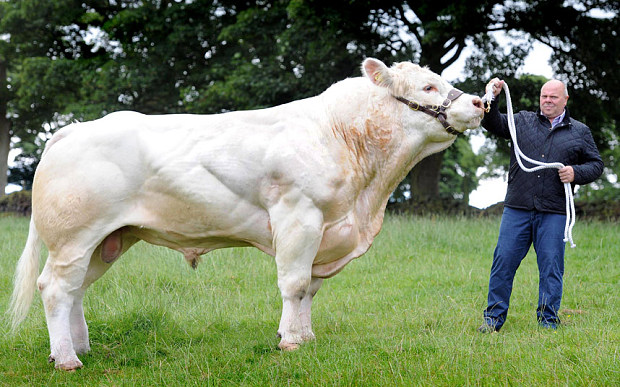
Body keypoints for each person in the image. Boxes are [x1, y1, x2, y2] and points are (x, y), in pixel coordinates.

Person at [478, 78, 604, 332]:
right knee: (503, 263)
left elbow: (596, 165)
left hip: (554, 211)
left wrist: (575, 173)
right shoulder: (521, 120)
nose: (547, 101)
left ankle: (548, 321)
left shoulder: (580, 132)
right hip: (518, 207)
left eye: (553, 97)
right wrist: (492, 96)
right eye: (544, 96)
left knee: (551, 268)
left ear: (565, 100)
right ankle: (493, 320)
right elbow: (492, 122)